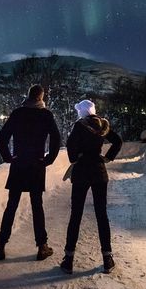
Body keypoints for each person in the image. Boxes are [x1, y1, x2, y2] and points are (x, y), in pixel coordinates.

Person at [0, 84, 61, 261]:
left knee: (11, 206)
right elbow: (56, 138)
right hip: (36, 166)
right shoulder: (46, 115)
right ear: (41, 97)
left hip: (18, 165)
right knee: (37, 206)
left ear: (29, 95)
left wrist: (9, 157)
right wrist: (49, 159)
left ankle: (0, 245)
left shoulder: (18, 113)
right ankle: (42, 246)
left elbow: (2, 137)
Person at [60, 99, 122, 275]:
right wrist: (108, 157)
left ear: (82, 112)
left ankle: (69, 259)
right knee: (101, 214)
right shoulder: (103, 125)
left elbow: (71, 147)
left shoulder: (79, 126)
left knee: (76, 214)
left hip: (81, 173)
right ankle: (107, 258)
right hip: (99, 172)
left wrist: (75, 158)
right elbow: (117, 141)